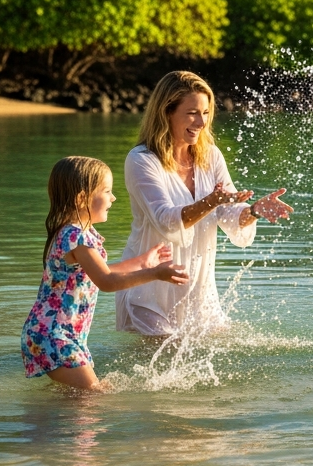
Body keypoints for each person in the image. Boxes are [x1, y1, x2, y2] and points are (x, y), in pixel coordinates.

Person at [117, 70, 293, 336]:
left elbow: (231, 215)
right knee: (161, 365)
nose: (201, 122)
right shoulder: (142, 160)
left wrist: (254, 211)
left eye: (206, 112)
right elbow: (166, 220)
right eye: (192, 113)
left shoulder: (210, 156)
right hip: (150, 292)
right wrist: (211, 201)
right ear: (166, 112)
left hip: (200, 295)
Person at [21, 156, 189, 390]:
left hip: (55, 334)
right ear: (82, 198)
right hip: (55, 337)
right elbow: (107, 282)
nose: (113, 198)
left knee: (81, 399)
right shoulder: (76, 237)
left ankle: (47, 424)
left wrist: (143, 262)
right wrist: (156, 274)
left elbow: (104, 271)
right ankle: (46, 425)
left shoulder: (76, 234)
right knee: (93, 397)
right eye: (107, 191)